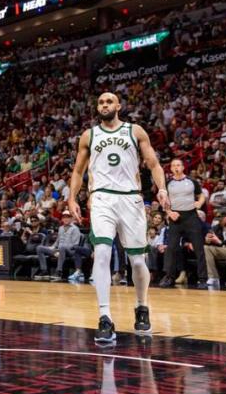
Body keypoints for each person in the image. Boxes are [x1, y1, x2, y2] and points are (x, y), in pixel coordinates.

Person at [66, 92, 169, 345]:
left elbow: (153, 164)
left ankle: (142, 306)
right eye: (100, 102)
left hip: (131, 198)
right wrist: (71, 198)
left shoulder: (135, 131)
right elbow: (78, 170)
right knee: (101, 252)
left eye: (109, 102)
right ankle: (104, 317)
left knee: (137, 261)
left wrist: (163, 188)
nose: (104, 105)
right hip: (101, 198)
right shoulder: (89, 135)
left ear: (118, 106)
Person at [158, 159, 207, 288]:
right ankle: (169, 277)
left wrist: (200, 203)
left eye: (178, 165)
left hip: (191, 216)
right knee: (171, 248)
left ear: (183, 167)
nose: (176, 167)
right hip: (176, 218)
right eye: (173, 165)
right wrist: (169, 212)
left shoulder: (192, 181)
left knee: (199, 248)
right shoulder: (168, 183)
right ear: (171, 169)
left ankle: (202, 279)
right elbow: (162, 200)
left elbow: (201, 195)